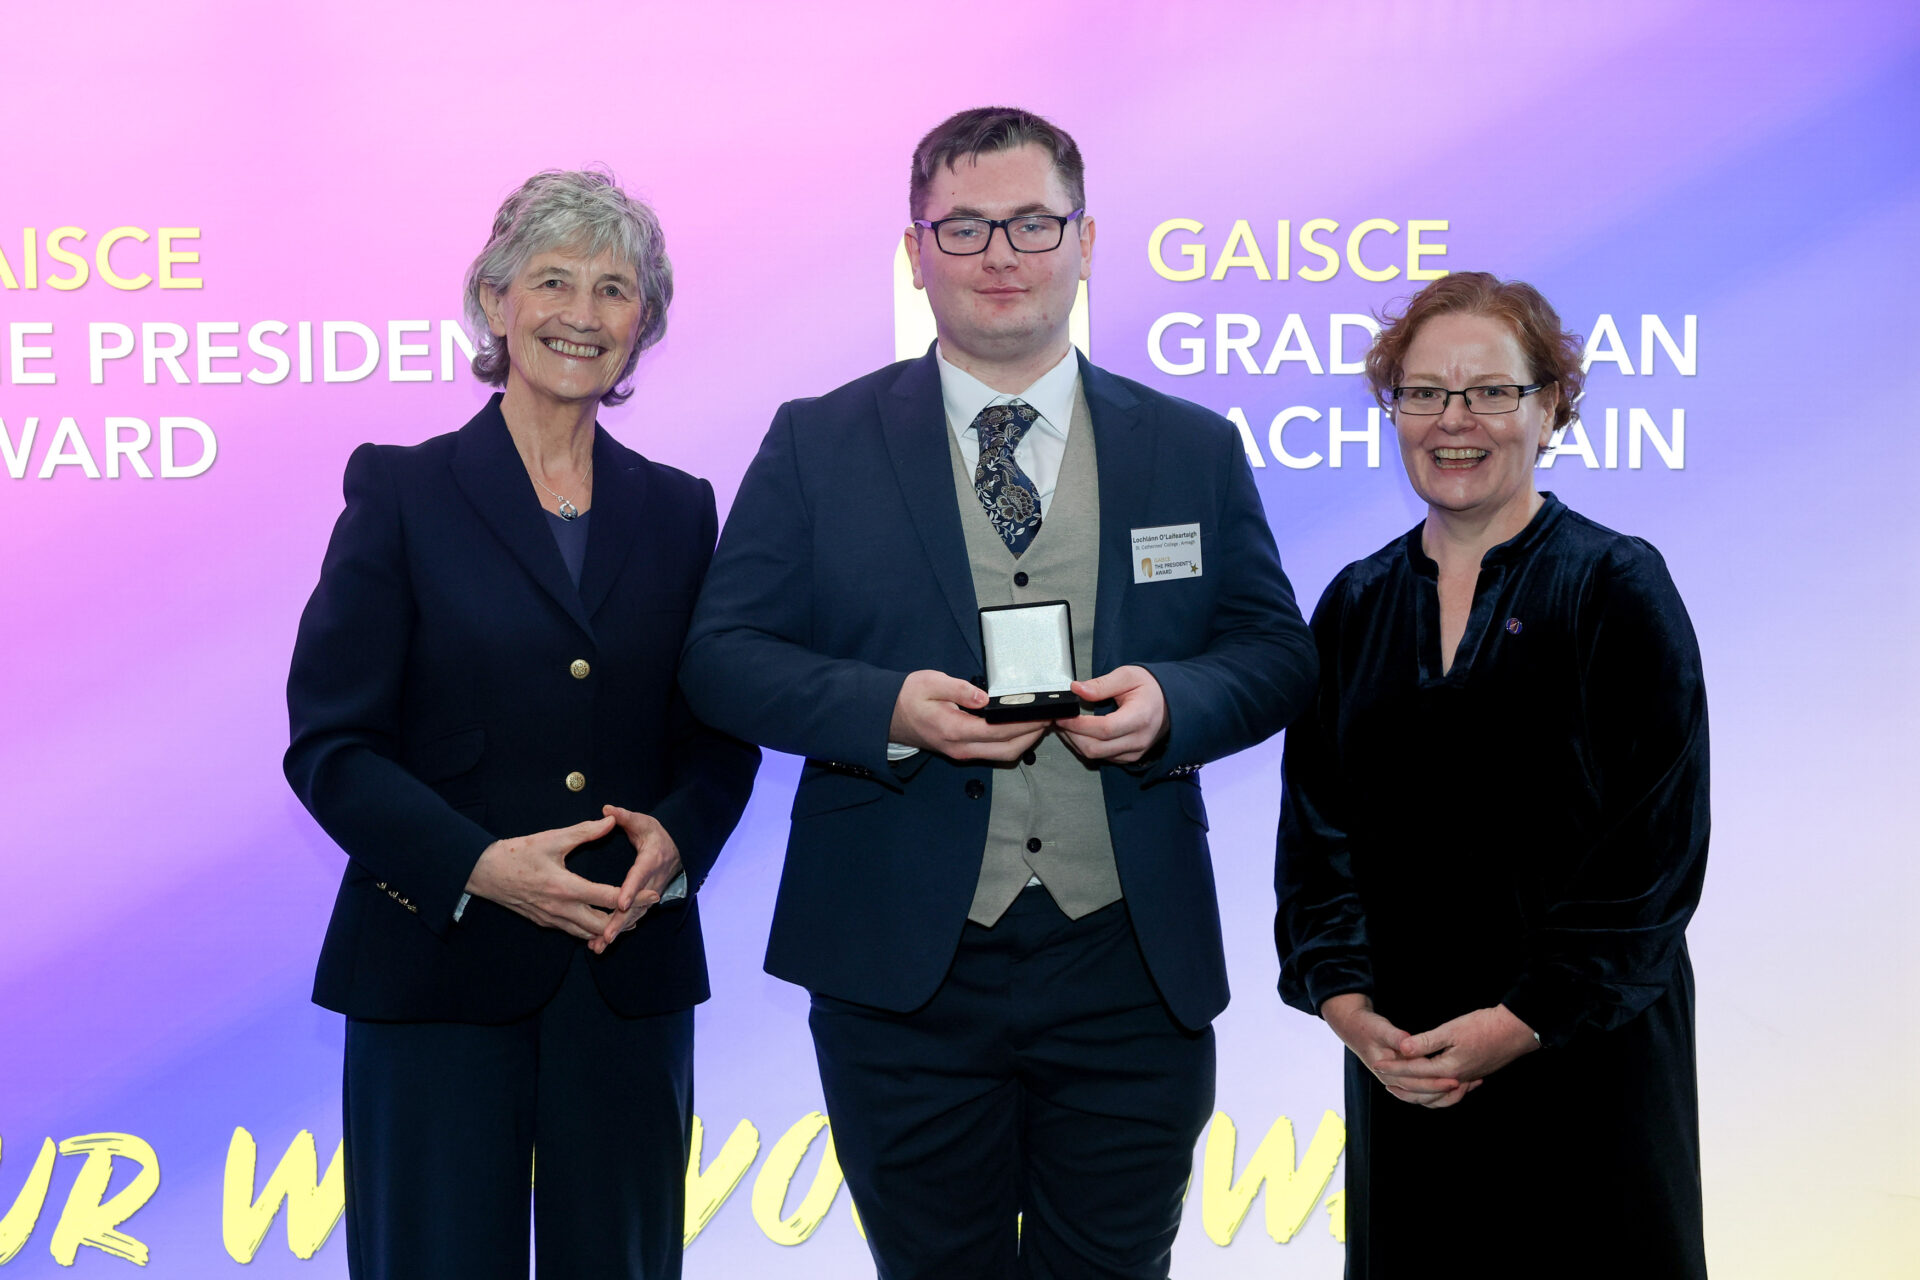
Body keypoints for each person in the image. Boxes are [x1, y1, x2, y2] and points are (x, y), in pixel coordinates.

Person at [679, 107, 1317, 1278]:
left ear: (1086, 241)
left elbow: (1274, 650)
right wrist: (885, 708)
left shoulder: (1191, 446)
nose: (1001, 255)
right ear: (914, 253)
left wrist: (1173, 702)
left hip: (1130, 958)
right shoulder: (817, 442)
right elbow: (722, 656)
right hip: (898, 964)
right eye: (963, 227)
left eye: (1032, 223)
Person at [283, 169, 759, 1280]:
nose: (581, 314)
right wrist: (479, 866)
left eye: (613, 289)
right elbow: (332, 746)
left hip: (623, 971)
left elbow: (720, 731)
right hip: (435, 969)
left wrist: (679, 837)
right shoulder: (401, 491)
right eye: (552, 282)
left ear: (643, 324)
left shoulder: (682, 508)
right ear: (495, 300)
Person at [1274, 272, 1710, 1277]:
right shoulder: (1354, 602)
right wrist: (1351, 1012)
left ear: (1550, 405)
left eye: (1490, 391)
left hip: (1588, 1060)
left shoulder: (1615, 584)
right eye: (1425, 392)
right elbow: (1316, 841)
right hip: (1408, 1066)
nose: (1454, 419)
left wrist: (1521, 1022)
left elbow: (1655, 855)